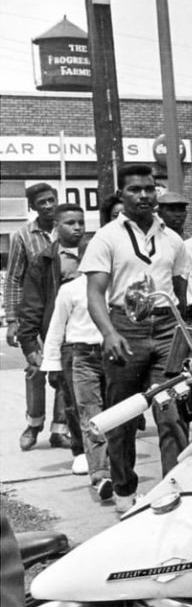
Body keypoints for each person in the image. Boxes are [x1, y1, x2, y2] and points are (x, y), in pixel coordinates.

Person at [82, 163, 191, 513]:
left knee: (172, 414)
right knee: (122, 417)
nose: (143, 195)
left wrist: (184, 332)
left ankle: (172, 491)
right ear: (121, 194)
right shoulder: (106, 237)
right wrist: (109, 333)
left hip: (166, 328)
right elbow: (95, 294)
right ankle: (125, 492)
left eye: (148, 188)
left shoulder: (173, 239)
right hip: (125, 329)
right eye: (134, 189)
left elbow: (180, 293)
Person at [17, 203, 89, 476]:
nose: (77, 227)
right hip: (64, 338)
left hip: (96, 335)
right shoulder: (44, 261)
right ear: (57, 227)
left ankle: (99, 450)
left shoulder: (96, 253)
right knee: (70, 396)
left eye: (81, 222)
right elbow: (32, 305)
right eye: (70, 223)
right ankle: (80, 450)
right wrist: (29, 344)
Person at [6, 183, 71, 452]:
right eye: (41, 202)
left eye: (51, 200)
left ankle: (60, 429)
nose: (48, 206)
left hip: (65, 314)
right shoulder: (22, 236)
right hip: (36, 314)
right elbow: (13, 279)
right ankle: (34, 425)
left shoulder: (66, 229)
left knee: (65, 369)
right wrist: (13, 320)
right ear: (32, 207)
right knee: (35, 369)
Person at [40, 262, 112, 503]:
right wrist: (52, 365)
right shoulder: (70, 289)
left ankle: (117, 467)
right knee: (89, 413)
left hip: (112, 354)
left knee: (114, 412)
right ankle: (100, 473)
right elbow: (56, 327)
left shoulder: (116, 286)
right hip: (82, 354)